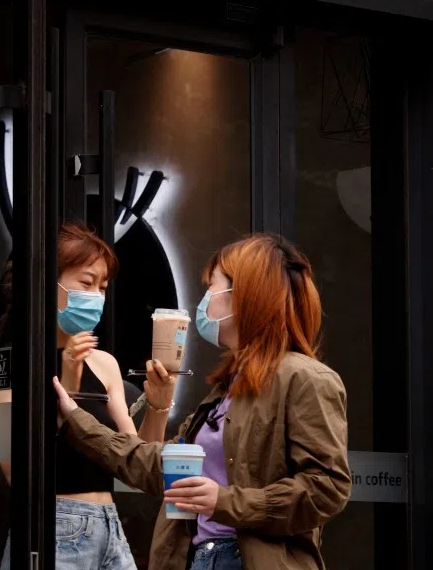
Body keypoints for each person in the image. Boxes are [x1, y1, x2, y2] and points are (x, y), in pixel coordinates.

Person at [52, 233, 351, 570]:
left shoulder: (305, 378)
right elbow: (159, 468)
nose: (205, 298)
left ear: (243, 296)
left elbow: (327, 487)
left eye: (212, 286)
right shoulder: (229, 387)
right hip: (201, 556)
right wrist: (76, 417)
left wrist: (225, 501)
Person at [0, 221, 178, 570]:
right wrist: (69, 384)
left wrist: (159, 404)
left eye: (102, 287)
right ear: (49, 284)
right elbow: (15, 473)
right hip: (54, 526)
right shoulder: (8, 363)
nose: (96, 296)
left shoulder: (105, 363)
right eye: (86, 283)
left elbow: (137, 462)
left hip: (110, 527)